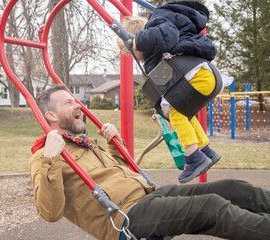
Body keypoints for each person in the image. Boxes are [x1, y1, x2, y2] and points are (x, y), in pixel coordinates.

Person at [29, 84, 270, 240]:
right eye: (69, 103)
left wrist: (113, 143)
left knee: (233, 188)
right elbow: (50, 213)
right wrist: (50, 157)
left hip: (150, 194)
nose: (78, 105)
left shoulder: (84, 142)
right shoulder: (45, 156)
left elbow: (121, 171)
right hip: (127, 218)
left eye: (76, 100)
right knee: (211, 207)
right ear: (50, 115)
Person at [116, 1, 234, 183]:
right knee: (184, 114)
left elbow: (165, 36)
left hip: (197, 77)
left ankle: (194, 157)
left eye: (130, 52)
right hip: (206, 77)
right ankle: (205, 149)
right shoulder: (162, 38)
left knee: (176, 115)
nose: (134, 57)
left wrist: (138, 41)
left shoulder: (156, 26)